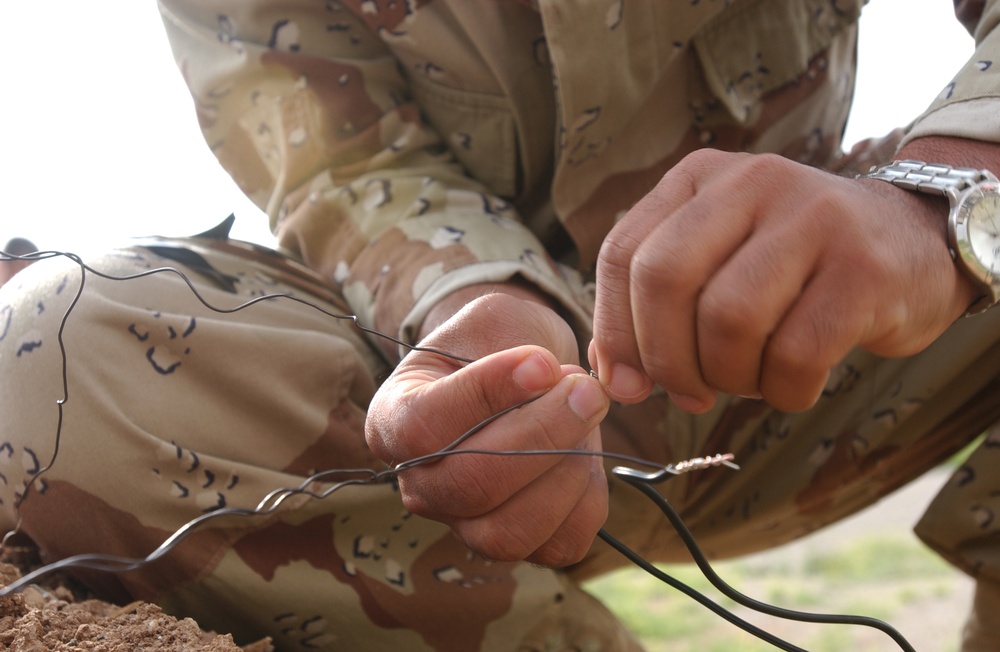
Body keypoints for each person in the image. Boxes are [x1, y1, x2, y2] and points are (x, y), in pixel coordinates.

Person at [1, 1, 999, 650]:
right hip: (442, 414)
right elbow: (343, 168)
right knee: (53, 347)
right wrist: (480, 308)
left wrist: (946, 199)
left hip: (833, 321)